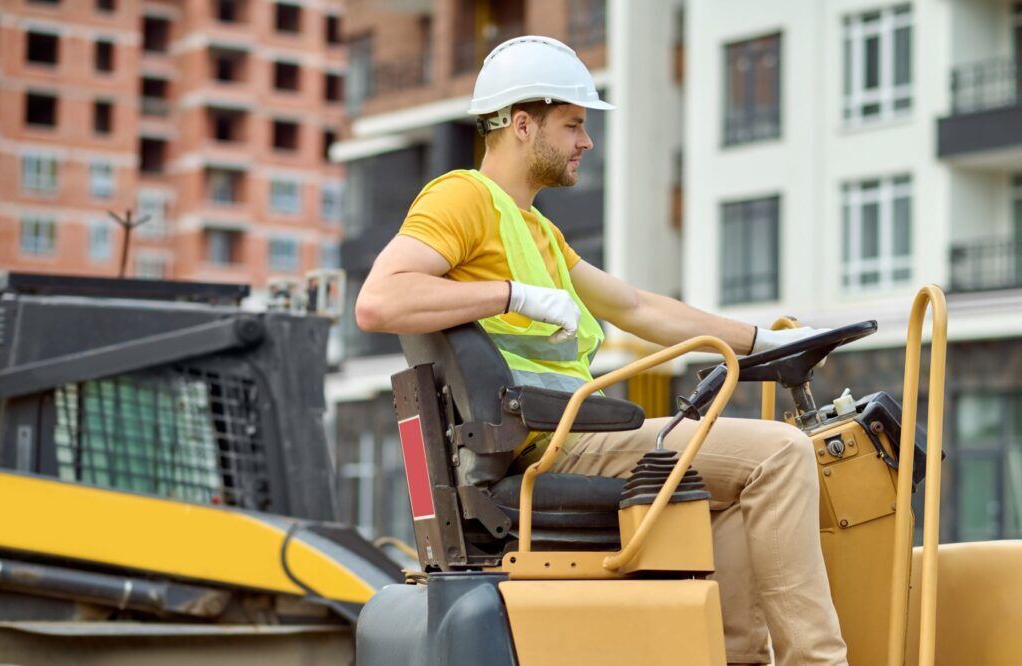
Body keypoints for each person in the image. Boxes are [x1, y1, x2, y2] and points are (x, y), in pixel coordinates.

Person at [355, 35, 848, 666]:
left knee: (722, 487)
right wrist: (512, 295)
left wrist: (764, 341)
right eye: (574, 125)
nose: (586, 142)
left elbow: (635, 308)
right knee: (780, 454)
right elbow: (378, 301)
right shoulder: (463, 199)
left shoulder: (538, 230)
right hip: (551, 443)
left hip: (565, 433)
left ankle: (738, 655)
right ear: (522, 124)